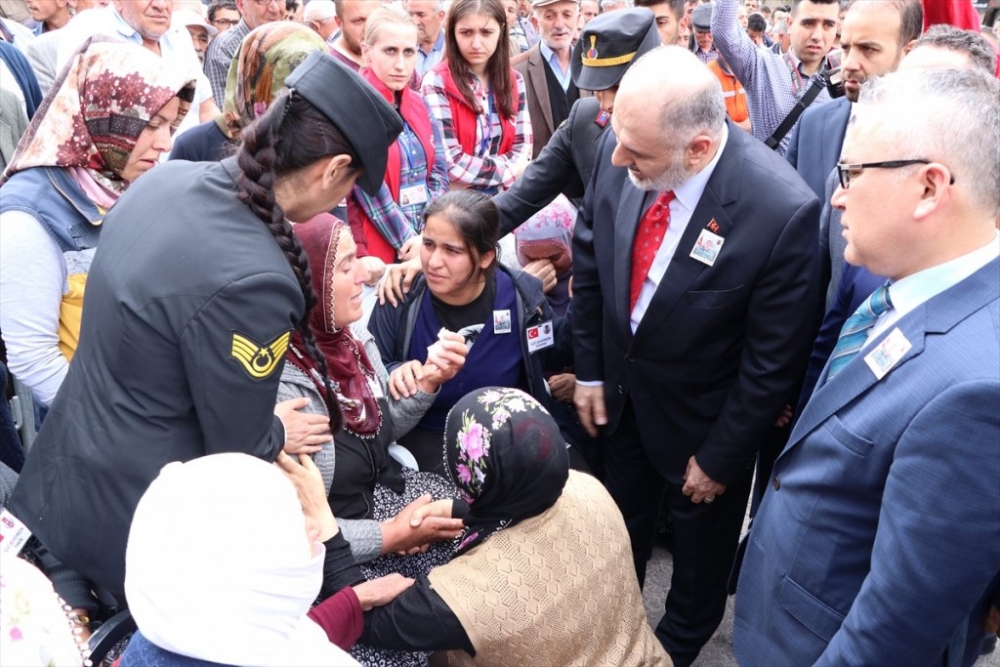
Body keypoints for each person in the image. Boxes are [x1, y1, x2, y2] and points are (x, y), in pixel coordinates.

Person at [7, 52, 405, 602]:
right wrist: (276, 432)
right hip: (139, 527)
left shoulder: (166, 179)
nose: (343, 201)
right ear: (332, 169)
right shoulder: (259, 279)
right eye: (351, 185)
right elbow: (236, 448)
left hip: (63, 483)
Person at [733, 66, 1000, 667]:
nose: (836, 195)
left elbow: (894, 633)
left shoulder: (978, 389)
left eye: (851, 173)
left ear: (930, 188)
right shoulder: (905, 291)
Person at [572, 45, 819, 667]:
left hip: (704, 431)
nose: (617, 158)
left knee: (697, 567)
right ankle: (611, 635)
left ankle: (672, 651)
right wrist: (593, 371)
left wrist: (720, 458)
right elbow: (591, 259)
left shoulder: (780, 211)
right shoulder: (622, 142)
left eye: (638, 154)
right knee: (617, 534)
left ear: (699, 150)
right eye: (618, 139)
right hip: (623, 404)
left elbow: (771, 363)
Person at [359, 387, 672, 666]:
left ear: (464, 473)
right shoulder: (588, 488)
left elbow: (369, 623)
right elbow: (521, 495)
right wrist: (460, 511)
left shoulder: (463, 595)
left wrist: (327, 527)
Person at [277, 215, 466, 667]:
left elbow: (380, 433)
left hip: (383, 500)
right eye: (344, 267)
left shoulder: (354, 340)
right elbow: (296, 528)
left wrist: (428, 383)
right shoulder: (283, 384)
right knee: (398, 642)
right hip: (330, 547)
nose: (365, 272)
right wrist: (392, 535)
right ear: (308, 285)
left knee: (475, 557)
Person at [378, 8, 662, 299]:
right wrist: (441, 244)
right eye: (596, 89)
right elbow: (519, 199)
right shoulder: (585, 122)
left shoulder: (688, 133)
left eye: (614, 87)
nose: (604, 103)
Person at [0, 38, 196, 407]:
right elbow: (34, 358)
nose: (165, 143)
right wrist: (111, 427)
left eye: (171, 125)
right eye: (151, 125)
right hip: (97, 426)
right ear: (103, 114)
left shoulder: (126, 182)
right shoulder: (27, 219)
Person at [120, 452, 414, 667]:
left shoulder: (164, 631)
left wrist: (351, 602)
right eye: (291, 522)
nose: (314, 527)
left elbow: (257, 639)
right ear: (246, 576)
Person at [370, 190, 563, 477]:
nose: (434, 261)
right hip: (422, 440)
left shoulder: (522, 298)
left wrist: (576, 379)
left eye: (452, 250)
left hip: (506, 438)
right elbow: (367, 380)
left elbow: (551, 354)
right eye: (428, 244)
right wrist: (394, 371)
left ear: (486, 257)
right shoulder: (400, 296)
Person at [348, 5, 448, 275]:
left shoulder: (418, 103)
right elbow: (370, 190)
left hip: (424, 244)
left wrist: (428, 232)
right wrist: (411, 242)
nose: (401, 64)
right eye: (390, 51)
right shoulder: (353, 107)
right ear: (367, 52)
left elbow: (439, 171)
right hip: (375, 255)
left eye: (409, 52)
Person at [169, 21, 327, 162]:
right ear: (252, 77)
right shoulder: (197, 145)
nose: (298, 98)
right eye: (282, 85)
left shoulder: (325, 144)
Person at [421, 0, 532, 195]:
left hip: (505, 197)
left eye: (486, 32)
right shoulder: (437, 81)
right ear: (453, 33)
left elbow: (524, 148)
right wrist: (508, 171)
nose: (476, 43)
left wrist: (503, 174)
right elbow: (450, 160)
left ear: (501, 30)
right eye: (466, 32)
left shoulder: (515, 80)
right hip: (456, 203)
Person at [712, 0, 840, 154]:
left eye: (828, 25)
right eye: (808, 23)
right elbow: (723, 29)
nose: (817, 35)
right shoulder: (760, 66)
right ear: (790, 24)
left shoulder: (845, 80)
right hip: (769, 175)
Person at [511, 0, 581, 159]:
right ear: (535, 23)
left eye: (567, 15)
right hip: (537, 178)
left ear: (577, 19)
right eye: (550, 16)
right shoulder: (515, 71)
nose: (559, 24)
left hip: (585, 179)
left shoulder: (591, 66)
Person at [204, 0, 285, 103]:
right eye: (263, 1)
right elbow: (227, 115)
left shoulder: (294, 42)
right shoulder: (224, 49)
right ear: (242, 5)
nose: (275, 9)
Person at [329, 0, 375, 70]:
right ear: (339, 22)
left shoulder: (387, 55)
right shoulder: (331, 68)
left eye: (374, 18)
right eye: (358, 21)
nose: (369, 28)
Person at [406, 0, 446, 76]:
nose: (415, 21)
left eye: (421, 15)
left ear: (440, 16)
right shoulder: (400, 44)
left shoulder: (454, 47)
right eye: (410, 15)